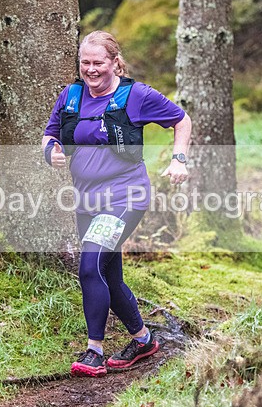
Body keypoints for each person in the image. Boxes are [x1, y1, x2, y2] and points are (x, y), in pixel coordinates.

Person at [42, 30, 192, 377]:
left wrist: (179, 159)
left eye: (98, 63)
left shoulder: (135, 95)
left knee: (89, 266)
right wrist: (51, 152)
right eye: (85, 63)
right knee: (108, 272)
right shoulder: (71, 96)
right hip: (86, 201)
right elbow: (50, 133)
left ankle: (94, 351)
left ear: (114, 62)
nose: (91, 70)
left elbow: (181, 120)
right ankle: (142, 340)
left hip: (125, 197)